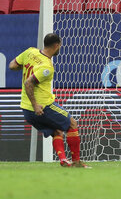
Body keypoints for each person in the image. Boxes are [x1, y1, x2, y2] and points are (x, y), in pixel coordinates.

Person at [9, 33, 90, 168]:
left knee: (57, 131)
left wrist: (27, 67)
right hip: (42, 106)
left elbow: (12, 65)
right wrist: (36, 105)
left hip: (26, 109)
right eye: (60, 46)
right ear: (56, 45)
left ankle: (63, 160)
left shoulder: (30, 51)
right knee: (72, 124)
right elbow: (29, 83)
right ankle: (77, 162)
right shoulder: (47, 67)